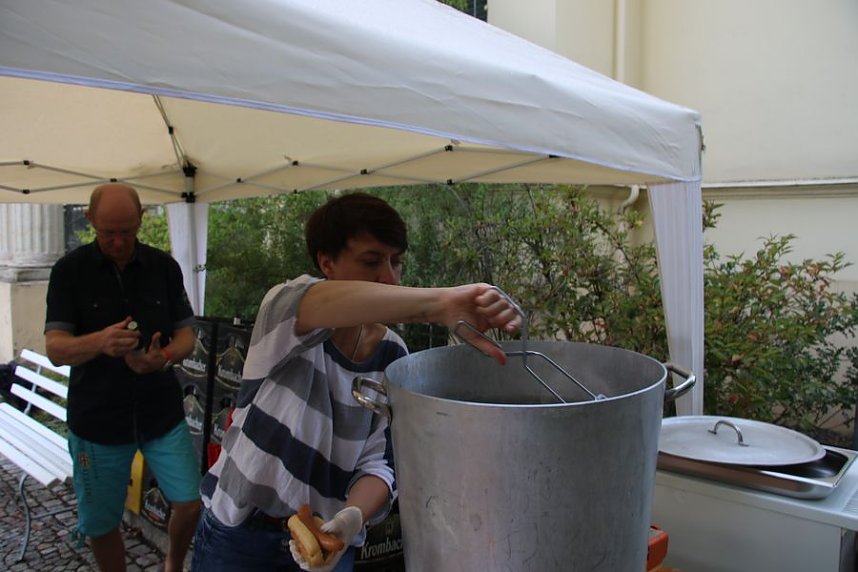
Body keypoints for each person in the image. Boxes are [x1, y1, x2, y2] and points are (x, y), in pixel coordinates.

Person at [191, 192, 520, 572]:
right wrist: (437, 304)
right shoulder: (285, 314)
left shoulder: (394, 357)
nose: (389, 277)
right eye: (371, 261)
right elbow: (321, 302)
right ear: (326, 262)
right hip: (241, 536)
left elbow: (380, 464)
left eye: (396, 262)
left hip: (330, 545)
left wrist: (351, 519)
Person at [44, 183, 201, 572]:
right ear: (90, 220)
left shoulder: (163, 266)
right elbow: (56, 348)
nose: (118, 241)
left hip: (160, 413)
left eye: (127, 232)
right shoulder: (69, 271)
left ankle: (173, 565)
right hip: (97, 419)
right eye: (108, 232)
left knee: (191, 501)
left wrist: (160, 358)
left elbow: (186, 336)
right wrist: (100, 341)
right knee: (101, 523)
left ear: (141, 220)